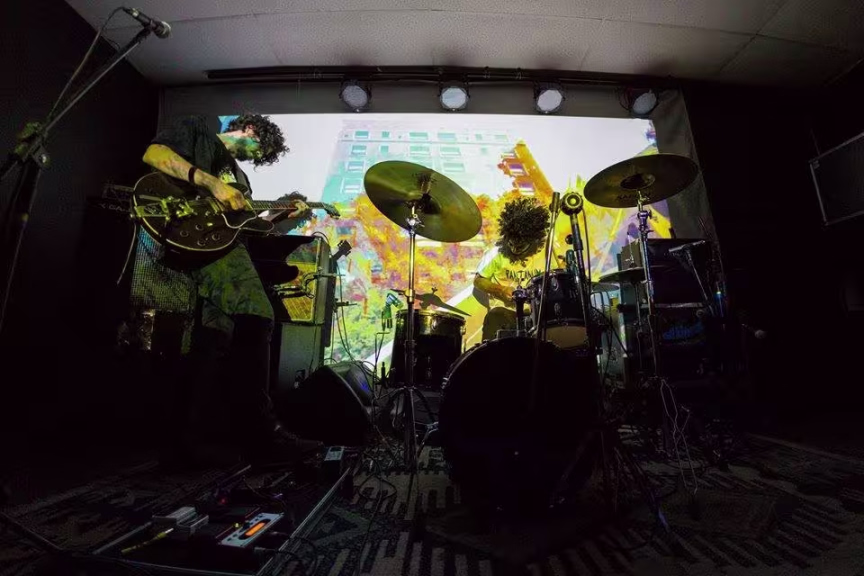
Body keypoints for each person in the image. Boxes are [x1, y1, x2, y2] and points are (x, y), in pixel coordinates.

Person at [141, 114, 322, 466]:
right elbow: (155, 154)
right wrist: (212, 183)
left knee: (213, 338)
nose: (256, 158)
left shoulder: (242, 179)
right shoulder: (198, 132)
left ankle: (188, 443)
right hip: (191, 238)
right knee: (257, 314)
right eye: (258, 149)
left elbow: (243, 227)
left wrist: (281, 216)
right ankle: (263, 437)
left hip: (217, 248)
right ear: (249, 130)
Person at [473, 197, 555, 341]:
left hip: (537, 313)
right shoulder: (497, 251)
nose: (514, 249)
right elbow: (478, 280)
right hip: (505, 313)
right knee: (495, 317)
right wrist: (501, 290)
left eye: (520, 246)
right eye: (511, 244)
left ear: (533, 240)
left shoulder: (547, 252)